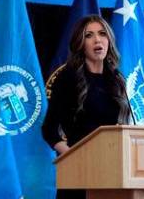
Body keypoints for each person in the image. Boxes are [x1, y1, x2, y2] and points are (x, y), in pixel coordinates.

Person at [42, 14, 131, 156]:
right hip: (81, 163)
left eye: (102, 34)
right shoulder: (68, 78)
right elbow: (49, 129)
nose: (97, 40)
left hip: (114, 160)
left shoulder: (116, 79)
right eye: (89, 35)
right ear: (81, 43)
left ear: (109, 40)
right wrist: (73, 155)